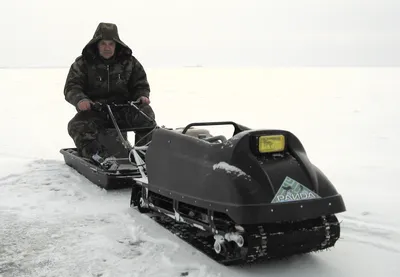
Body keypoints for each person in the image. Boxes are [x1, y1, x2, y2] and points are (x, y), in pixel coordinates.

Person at [64, 22, 156, 171]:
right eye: (103, 44)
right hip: (95, 110)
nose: (107, 48)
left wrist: (142, 96)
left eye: (111, 44)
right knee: (76, 126)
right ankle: (101, 158)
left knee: (147, 115)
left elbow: (140, 84)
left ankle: (142, 157)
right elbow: (72, 87)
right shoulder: (82, 63)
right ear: (97, 44)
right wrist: (81, 100)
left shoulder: (129, 62)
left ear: (116, 44)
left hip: (123, 109)